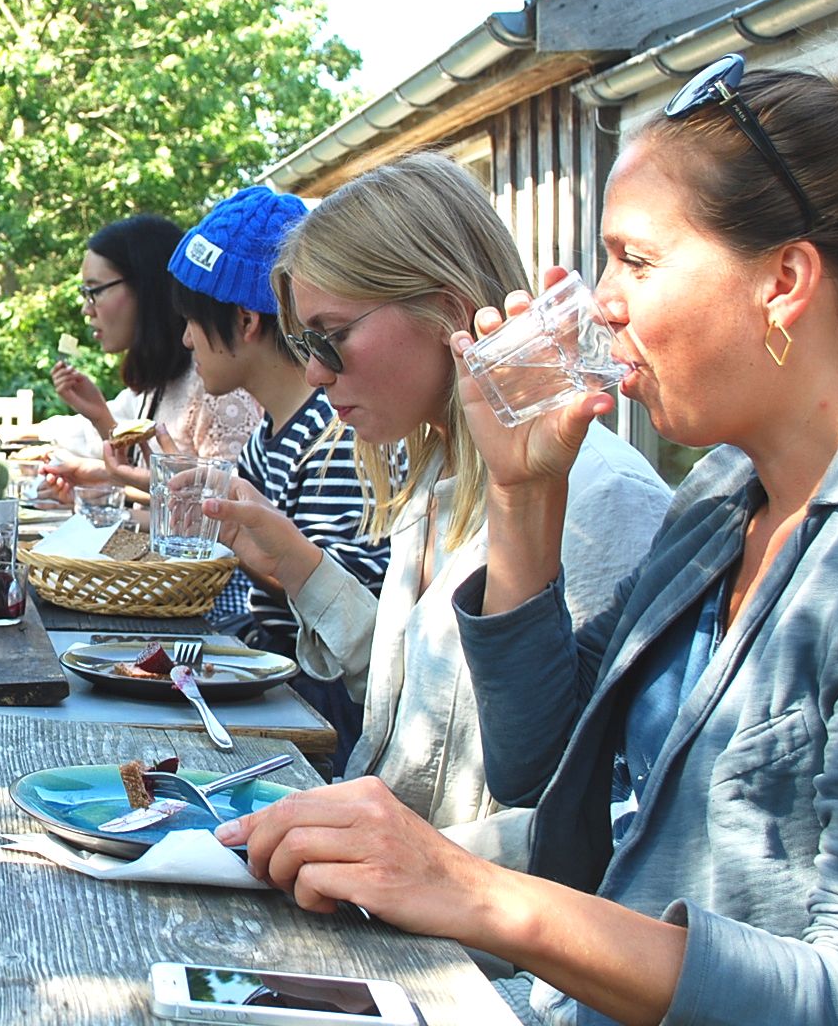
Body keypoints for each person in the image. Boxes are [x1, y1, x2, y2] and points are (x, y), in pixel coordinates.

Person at [215, 63, 838, 1026]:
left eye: (635, 262)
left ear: (783, 283)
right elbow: (549, 787)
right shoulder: (719, 508)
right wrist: (525, 498)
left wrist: (472, 892)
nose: (597, 300)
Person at [206, 154, 671, 869]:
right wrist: (299, 569)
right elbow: (420, 722)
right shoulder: (436, 469)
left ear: (449, 312)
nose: (315, 373)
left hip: (475, 961)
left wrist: (400, 863)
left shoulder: (598, 498)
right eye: (304, 344)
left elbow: (606, 817)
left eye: (330, 336)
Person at [166, 188, 390, 764]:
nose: (187, 338)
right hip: (279, 687)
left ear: (244, 320)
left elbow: (359, 608)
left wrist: (272, 557)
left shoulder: (337, 431)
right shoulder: (273, 432)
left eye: (193, 318)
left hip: (323, 716)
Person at [45, 213, 261, 493]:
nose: (87, 308)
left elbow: (226, 515)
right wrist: (99, 417)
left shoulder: (216, 386)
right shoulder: (159, 380)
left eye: (94, 291)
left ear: (146, 287)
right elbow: (158, 488)